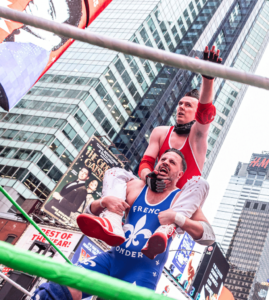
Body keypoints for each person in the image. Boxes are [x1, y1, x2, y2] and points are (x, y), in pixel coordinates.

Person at [77, 45, 221, 258]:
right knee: (116, 172)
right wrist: (149, 177)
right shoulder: (161, 132)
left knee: (201, 184)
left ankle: (166, 229)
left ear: (196, 110)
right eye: (179, 104)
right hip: (149, 191)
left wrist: (208, 79)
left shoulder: (197, 137)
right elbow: (144, 163)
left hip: (177, 202)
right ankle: (112, 220)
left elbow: (205, 114)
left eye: (188, 105)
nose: (181, 107)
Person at [32, 149, 214, 300]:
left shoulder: (181, 199)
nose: (165, 162)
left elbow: (209, 237)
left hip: (142, 272)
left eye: (172, 162)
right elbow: (87, 213)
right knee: (59, 286)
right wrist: (104, 202)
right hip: (111, 260)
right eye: (163, 159)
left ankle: (166, 230)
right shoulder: (135, 187)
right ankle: (111, 220)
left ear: (180, 174)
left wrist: (178, 218)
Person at [0, 0, 84, 110]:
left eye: (50, 10)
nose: (37, 3)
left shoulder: (21, 63)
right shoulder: (22, 47)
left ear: (55, 39)